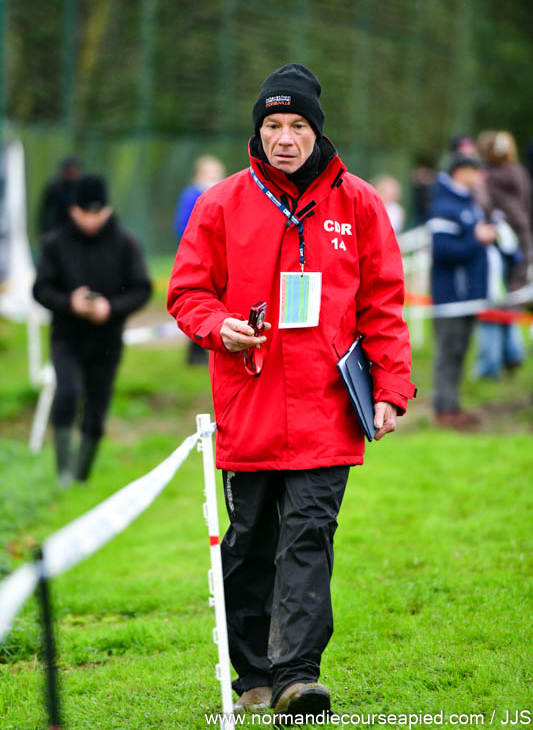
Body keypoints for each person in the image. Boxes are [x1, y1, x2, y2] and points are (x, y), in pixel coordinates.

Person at [167, 64, 416, 719]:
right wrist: (217, 326)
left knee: (307, 537)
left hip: (327, 411)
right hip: (247, 407)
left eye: (297, 125)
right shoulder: (220, 203)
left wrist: (390, 388)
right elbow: (187, 293)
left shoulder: (358, 203)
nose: (284, 137)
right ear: (258, 131)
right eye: (273, 124)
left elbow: (383, 304)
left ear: (316, 131)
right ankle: (253, 674)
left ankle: (297, 678)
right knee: (250, 543)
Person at [33, 174, 152, 485]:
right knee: (68, 392)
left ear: (108, 210)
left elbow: (141, 289)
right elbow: (41, 289)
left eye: (97, 213)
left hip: (107, 339)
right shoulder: (55, 243)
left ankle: (81, 475)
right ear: (73, 210)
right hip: (67, 336)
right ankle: (64, 473)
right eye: (84, 212)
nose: (90, 220)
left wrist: (110, 308)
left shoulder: (126, 243)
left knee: (97, 406)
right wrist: (70, 302)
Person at [427, 155, 498, 428]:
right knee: (448, 353)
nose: (481, 175)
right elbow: (442, 249)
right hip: (451, 298)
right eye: (475, 170)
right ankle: (443, 410)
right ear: (460, 172)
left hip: (469, 297)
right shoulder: (444, 205)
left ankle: (453, 407)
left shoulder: (469, 203)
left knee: (459, 353)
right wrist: (476, 239)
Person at [476, 131, 532, 377]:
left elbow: (483, 207)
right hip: (522, 241)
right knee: (512, 297)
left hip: (497, 244)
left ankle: (490, 364)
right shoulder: (519, 174)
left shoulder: (485, 178)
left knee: (492, 302)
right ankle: (513, 351)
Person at [174, 155, 226, 364]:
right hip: (197, 255)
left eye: (217, 173)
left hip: (219, 256)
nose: (214, 177)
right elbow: (183, 225)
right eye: (210, 173)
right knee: (196, 300)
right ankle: (195, 350)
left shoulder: (223, 194)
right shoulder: (191, 195)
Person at [38, 155, 82, 238]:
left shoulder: (81, 187)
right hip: (57, 228)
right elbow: (45, 211)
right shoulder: (55, 187)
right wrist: (44, 230)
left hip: (77, 228)